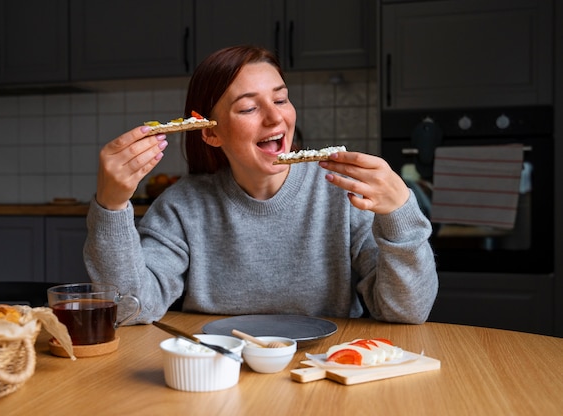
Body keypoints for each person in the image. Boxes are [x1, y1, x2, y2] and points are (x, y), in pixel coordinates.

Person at [84, 45, 438, 325]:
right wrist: (111, 207)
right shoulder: (183, 207)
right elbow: (130, 310)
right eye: (249, 108)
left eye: (281, 99)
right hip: (220, 376)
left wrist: (400, 211)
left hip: (326, 369)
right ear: (210, 131)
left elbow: (406, 312)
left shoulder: (340, 190)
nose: (275, 117)